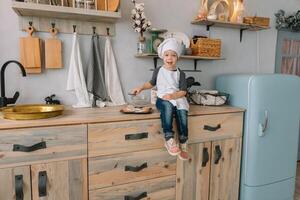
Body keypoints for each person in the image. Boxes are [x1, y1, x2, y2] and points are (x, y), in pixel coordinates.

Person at [131, 38, 189, 160]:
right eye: (167, 55)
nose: (169, 58)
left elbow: (183, 91)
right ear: (162, 56)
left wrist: (173, 96)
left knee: (182, 114)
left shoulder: (181, 73)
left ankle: (183, 142)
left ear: (177, 57)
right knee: (167, 107)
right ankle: (169, 139)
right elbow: (151, 83)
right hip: (162, 99)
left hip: (177, 98)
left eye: (173, 55)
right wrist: (140, 88)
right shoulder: (158, 71)